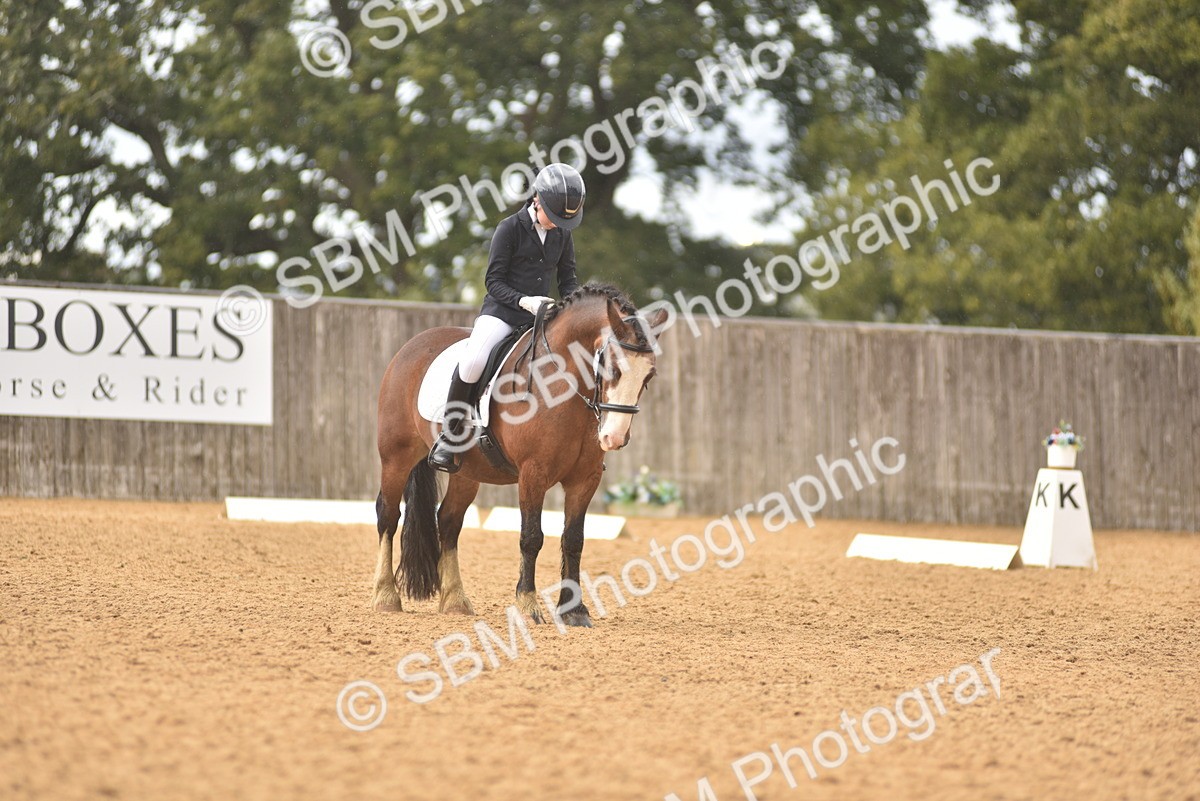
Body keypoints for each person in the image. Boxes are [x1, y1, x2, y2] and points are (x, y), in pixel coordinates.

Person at [428, 162, 586, 472]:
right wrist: (523, 301)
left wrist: (572, 308)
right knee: (473, 360)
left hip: (540, 317)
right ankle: (449, 435)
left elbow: (568, 279)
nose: (557, 225)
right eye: (554, 218)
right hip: (502, 313)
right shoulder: (509, 228)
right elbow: (494, 281)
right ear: (537, 200)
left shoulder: (562, 233)